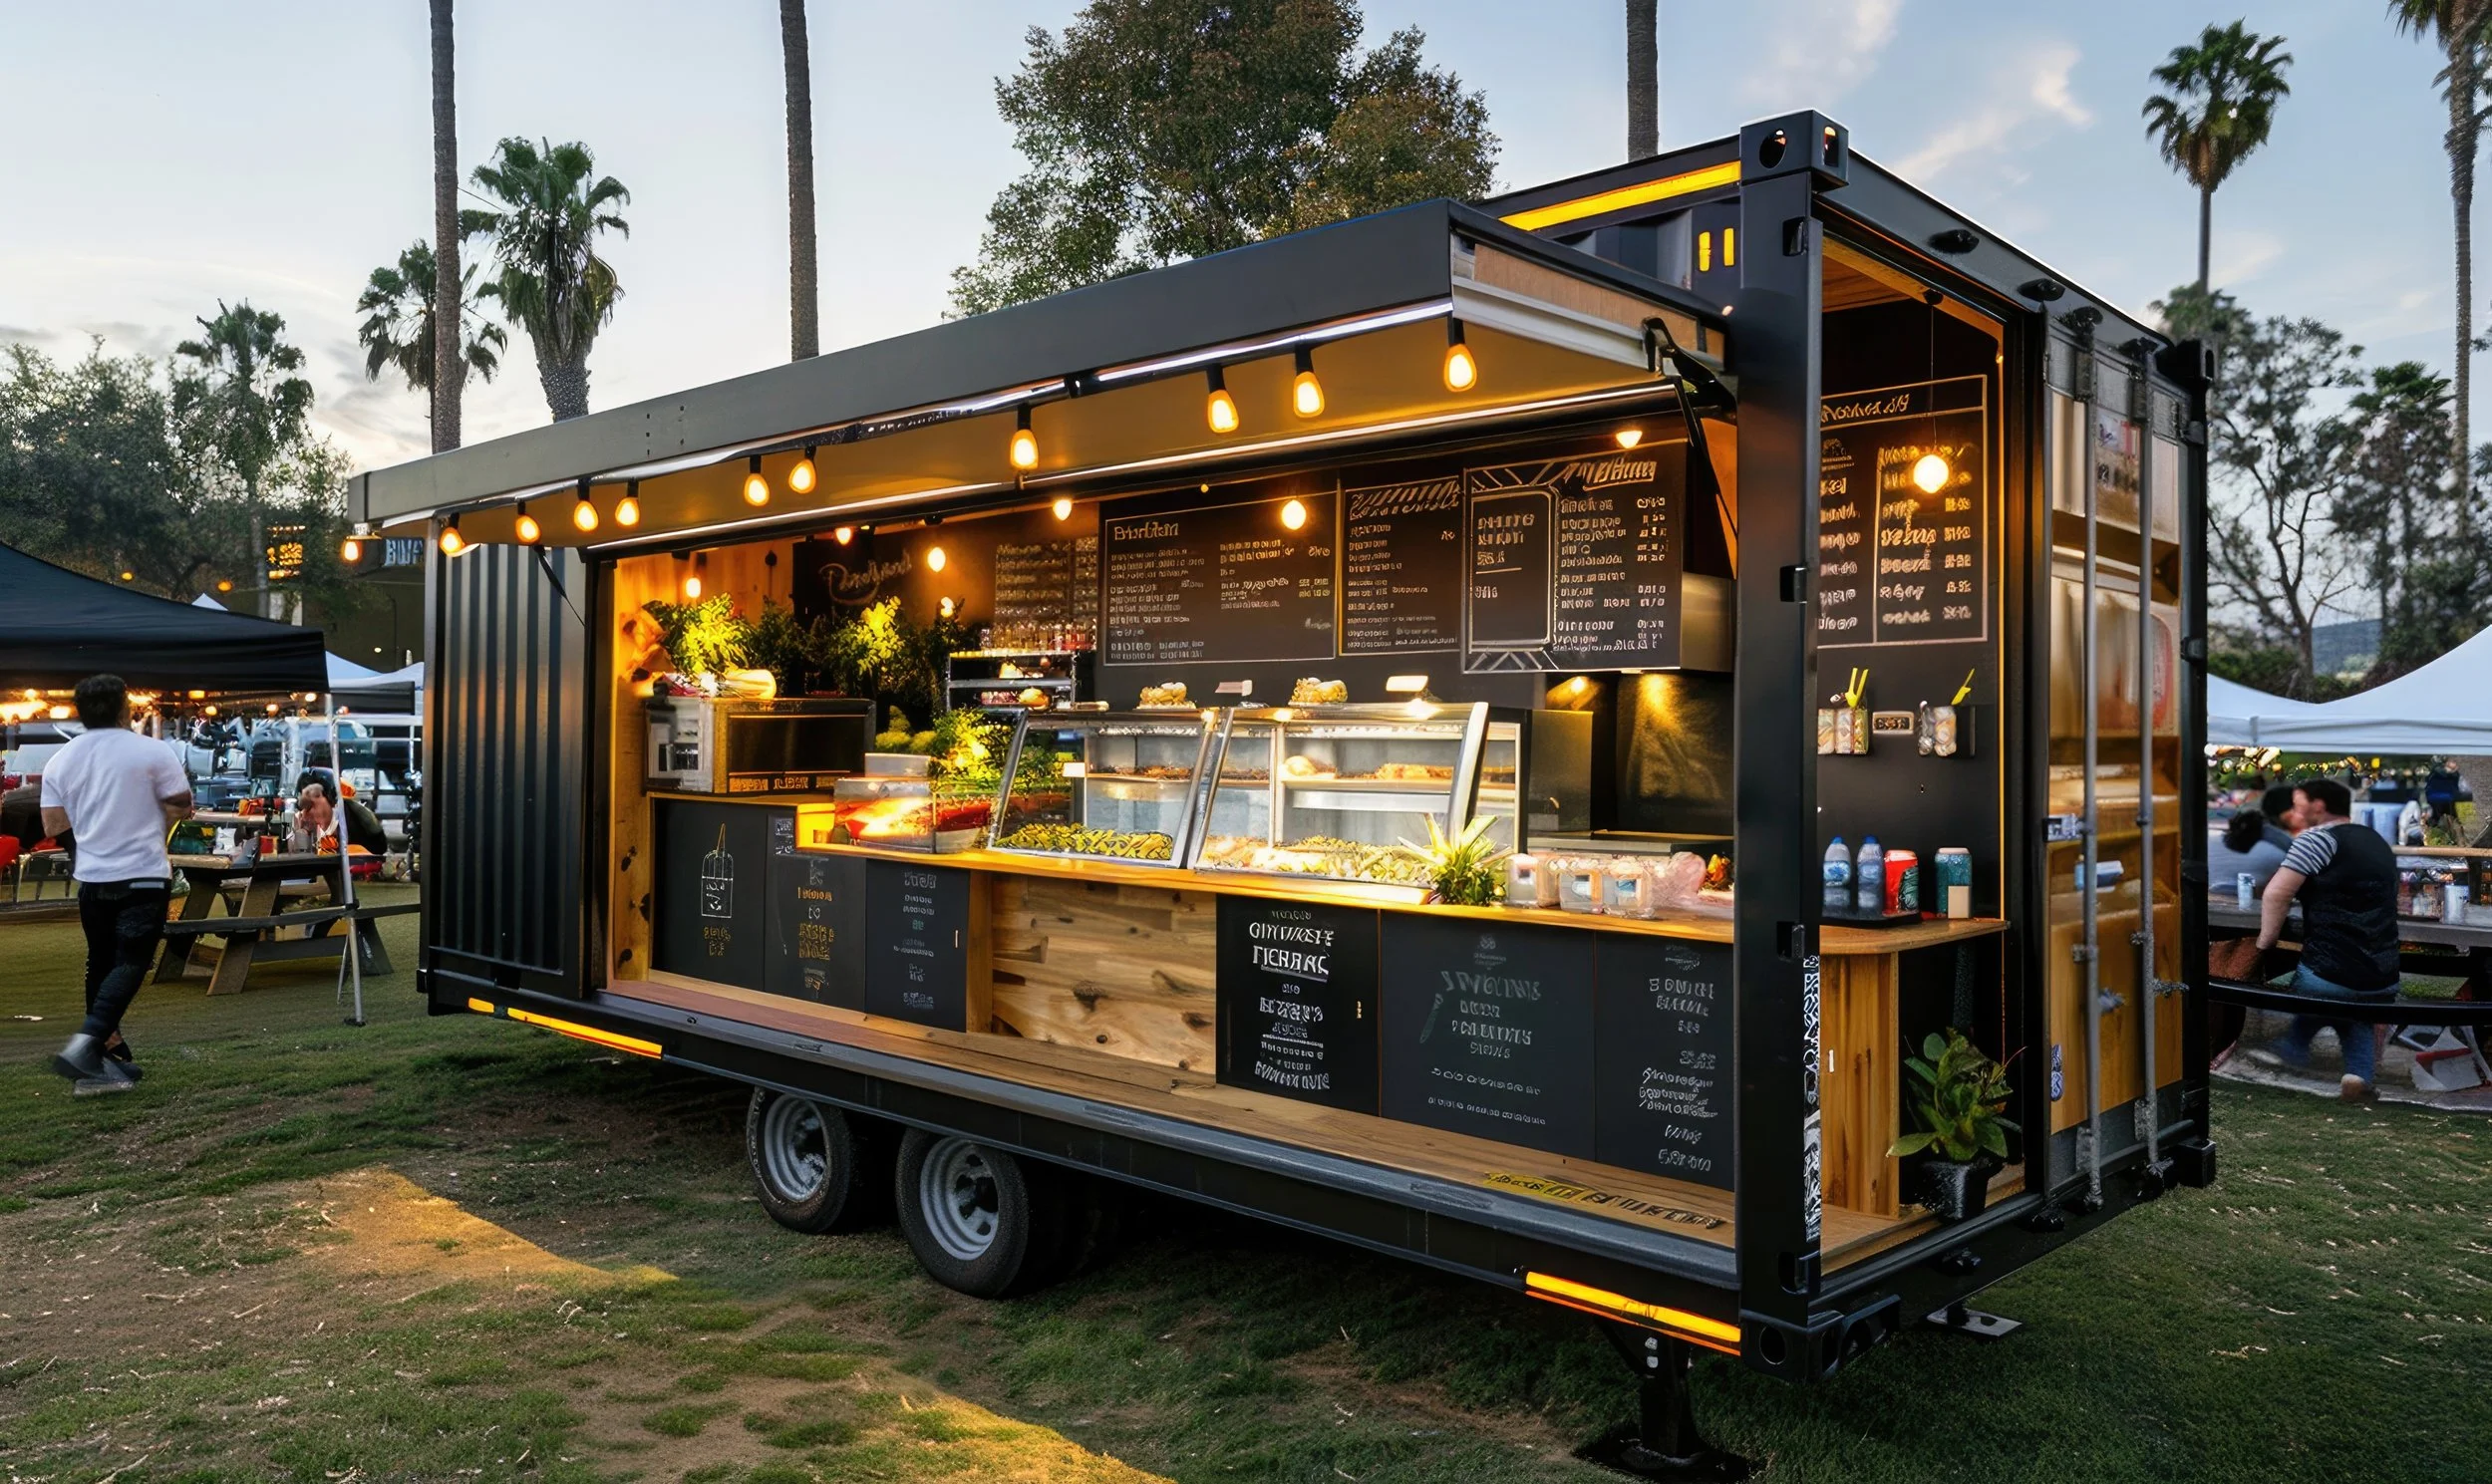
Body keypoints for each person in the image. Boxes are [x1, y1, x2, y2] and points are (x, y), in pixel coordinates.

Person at [39, 675, 193, 1095]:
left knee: (101, 961)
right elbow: (183, 804)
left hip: (92, 878)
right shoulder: (152, 751)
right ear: (125, 708)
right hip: (143, 873)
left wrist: (89, 847)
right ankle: (86, 1045)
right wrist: (156, 825)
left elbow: (53, 825)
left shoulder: (61, 760)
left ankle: (100, 1058)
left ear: (79, 712)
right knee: (131, 961)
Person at [2254, 776, 2401, 1101]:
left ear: (2318, 806)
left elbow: (2277, 894)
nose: (2292, 809)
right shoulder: (2376, 840)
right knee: (2358, 1015)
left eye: (2297, 802)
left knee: (2313, 995)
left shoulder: (2316, 840)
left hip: (2328, 974)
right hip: (2383, 975)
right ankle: (2357, 1076)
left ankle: (2290, 1053)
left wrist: (2265, 943)